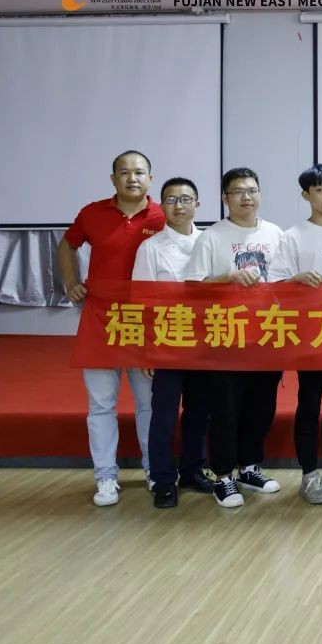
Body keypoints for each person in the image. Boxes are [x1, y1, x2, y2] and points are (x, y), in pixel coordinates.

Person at [57, 150, 165, 507]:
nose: (132, 178)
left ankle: (154, 470)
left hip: (147, 322)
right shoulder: (92, 213)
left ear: (150, 178)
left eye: (139, 172)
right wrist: (71, 282)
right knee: (101, 404)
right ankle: (105, 477)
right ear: (113, 178)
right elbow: (67, 244)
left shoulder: (163, 216)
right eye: (124, 172)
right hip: (101, 318)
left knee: (149, 403)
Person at [184, 167, 284, 508]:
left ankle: (249, 468)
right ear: (225, 198)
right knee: (225, 410)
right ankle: (223, 476)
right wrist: (227, 278)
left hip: (266, 335)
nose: (246, 197)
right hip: (225, 337)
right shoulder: (211, 237)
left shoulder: (275, 233)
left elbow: (283, 282)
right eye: (238, 191)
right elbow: (192, 287)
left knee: (262, 407)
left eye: (252, 190)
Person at [268, 164, 322, 505]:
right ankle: (308, 474)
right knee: (309, 404)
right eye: (319, 190)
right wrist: (296, 279)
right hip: (310, 335)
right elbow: (274, 284)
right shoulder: (293, 236)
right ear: (306, 195)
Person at [132, 177, 213, 508]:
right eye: (171, 199)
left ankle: (192, 470)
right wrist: (146, 351)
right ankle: (163, 480)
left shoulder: (211, 241)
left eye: (186, 199)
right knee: (163, 415)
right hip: (168, 342)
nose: (179, 206)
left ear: (198, 204)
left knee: (199, 412)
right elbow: (141, 303)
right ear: (161, 205)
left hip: (206, 342)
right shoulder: (150, 248)